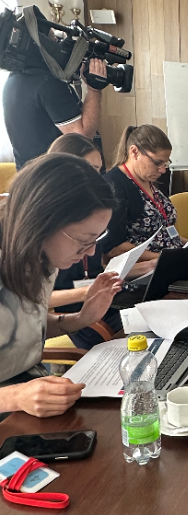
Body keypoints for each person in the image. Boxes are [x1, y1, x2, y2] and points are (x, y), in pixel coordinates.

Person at [0, 153, 122, 417]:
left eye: (97, 239)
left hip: (31, 395)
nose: (91, 252)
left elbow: (26, 329)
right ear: (42, 223)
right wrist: (15, 397)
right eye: (84, 240)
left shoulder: (41, 254)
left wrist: (82, 318)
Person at [47, 133, 148, 348]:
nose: (99, 179)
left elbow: (99, 271)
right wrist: (86, 292)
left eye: (99, 170)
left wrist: (147, 267)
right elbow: (36, 299)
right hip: (74, 311)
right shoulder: (51, 232)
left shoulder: (89, 219)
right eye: (90, 169)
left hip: (98, 305)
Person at [3, 56, 108, 169]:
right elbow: (81, 137)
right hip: (58, 176)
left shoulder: (13, 81)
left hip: (31, 176)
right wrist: (94, 89)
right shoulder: (47, 83)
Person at [101, 125, 182, 262]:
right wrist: (165, 258)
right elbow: (113, 248)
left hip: (171, 259)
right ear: (134, 152)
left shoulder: (147, 177)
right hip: (148, 267)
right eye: (158, 162)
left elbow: (163, 230)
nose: (163, 170)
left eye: (166, 163)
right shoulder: (114, 186)